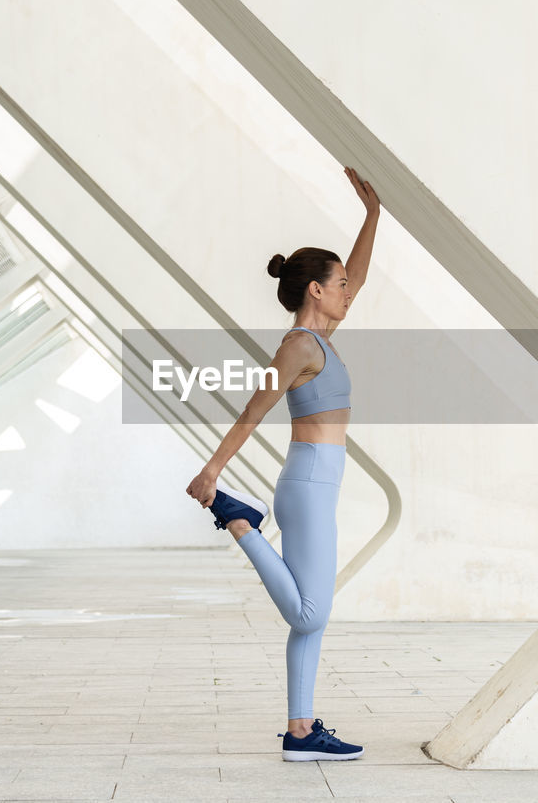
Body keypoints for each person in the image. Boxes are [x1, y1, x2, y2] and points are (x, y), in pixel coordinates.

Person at [186, 165, 379, 761]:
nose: (350, 290)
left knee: (309, 621)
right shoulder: (298, 345)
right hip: (309, 481)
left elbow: (361, 275)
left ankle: (301, 733)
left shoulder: (319, 339)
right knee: (312, 611)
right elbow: (253, 409)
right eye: (340, 283)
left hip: (316, 480)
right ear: (315, 290)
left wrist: (373, 218)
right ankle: (238, 520)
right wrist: (212, 474)